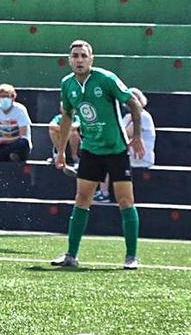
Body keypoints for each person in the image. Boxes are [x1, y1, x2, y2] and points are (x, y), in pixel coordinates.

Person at [50, 40, 145, 270]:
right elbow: (66, 118)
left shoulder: (106, 79)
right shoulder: (67, 84)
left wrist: (137, 136)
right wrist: (61, 151)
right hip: (91, 149)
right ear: (69, 59)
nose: (79, 60)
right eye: (75, 56)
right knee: (82, 198)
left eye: (83, 55)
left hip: (116, 148)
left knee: (125, 200)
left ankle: (131, 257)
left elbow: (134, 104)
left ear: (91, 59)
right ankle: (71, 255)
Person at [123, 87, 156, 172]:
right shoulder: (127, 117)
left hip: (142, 159)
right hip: (129, 158)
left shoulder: (144, 116)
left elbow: (128, 132)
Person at [48, 111, 81, 177]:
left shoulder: (77, 117)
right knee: (52, 132)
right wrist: (63, 130)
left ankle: (74, 157)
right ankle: (58, 154)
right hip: (61, 142)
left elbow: (75, 125)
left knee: (73, 133)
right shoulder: (58, 117)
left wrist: (64, 129)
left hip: (75, 144)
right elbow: (51, 125)